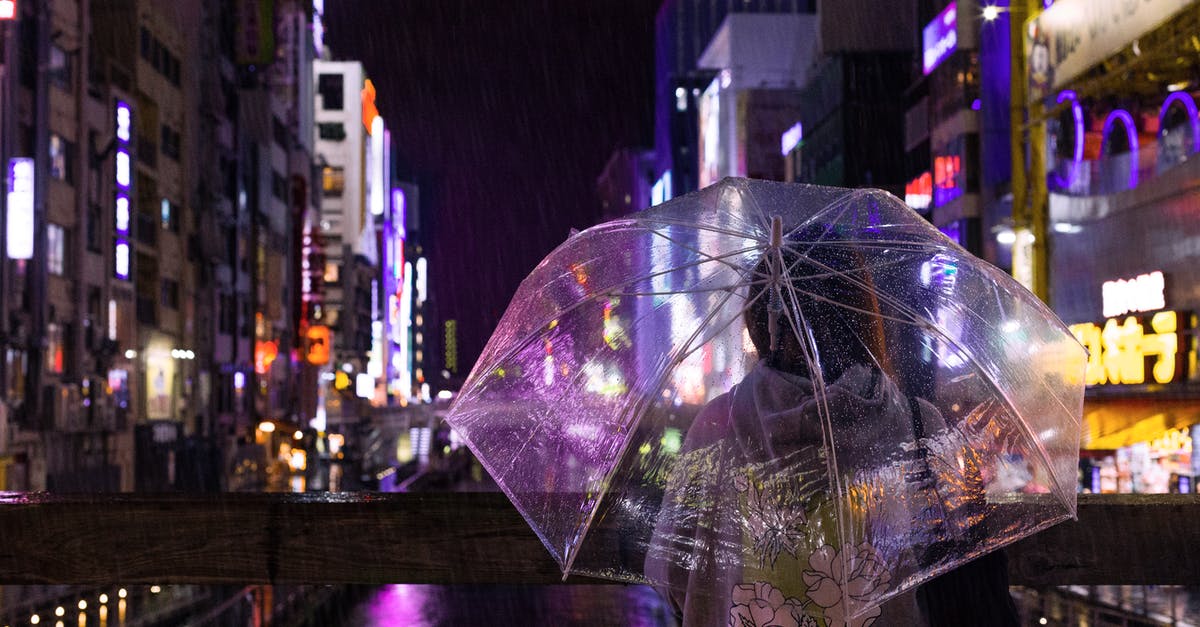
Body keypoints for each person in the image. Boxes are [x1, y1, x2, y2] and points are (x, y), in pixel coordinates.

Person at [644, 230, 1018, 626]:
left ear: (762, 320)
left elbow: (671, 575)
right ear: (863, 318)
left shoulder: (716, 427)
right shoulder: (919, 425)